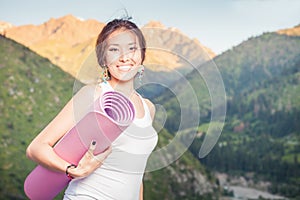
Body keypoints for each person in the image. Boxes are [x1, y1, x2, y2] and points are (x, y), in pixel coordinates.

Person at [26, 18, 158, 200]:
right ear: (103, 58)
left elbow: (136, 174)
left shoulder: (148, 108)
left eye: (131, 48)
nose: (124, 57)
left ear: (142, 54)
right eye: (114, 49)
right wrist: (73, 170)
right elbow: (36, 148)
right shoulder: (93, 95)